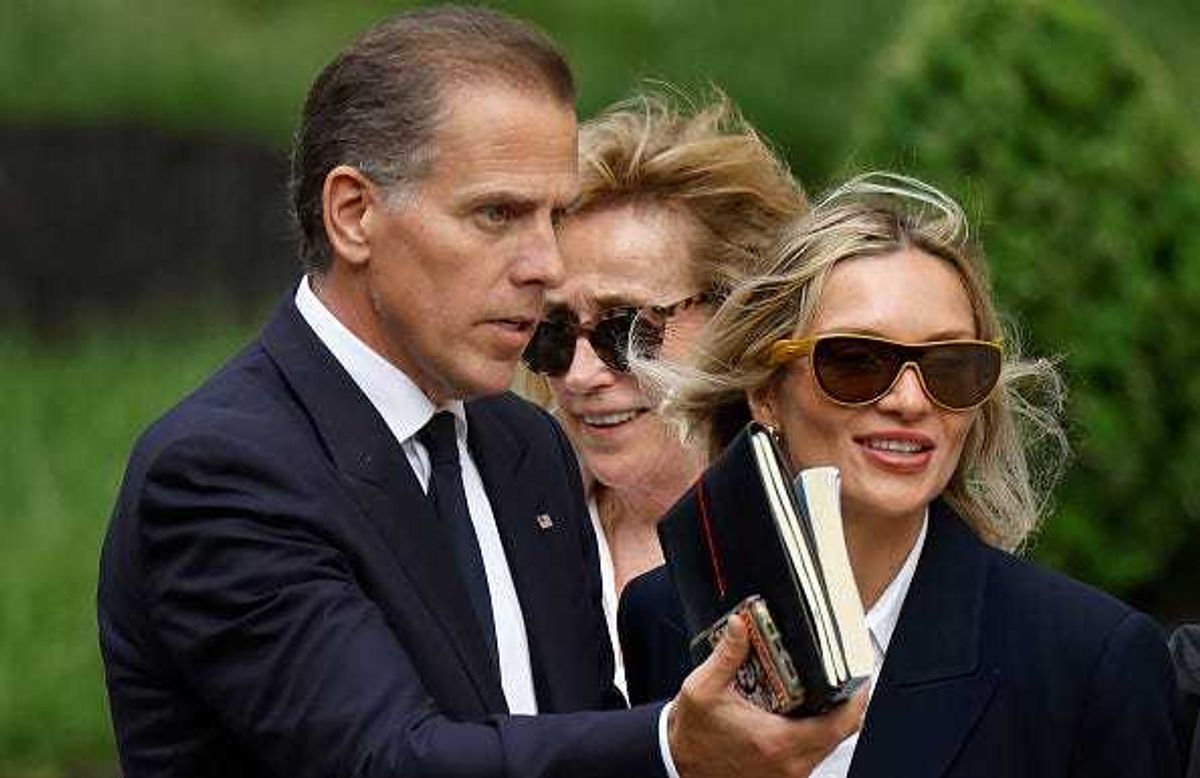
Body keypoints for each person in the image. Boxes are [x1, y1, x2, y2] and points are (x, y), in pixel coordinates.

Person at [97, 7, 866, 777]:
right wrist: (671, 746)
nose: (545, 264)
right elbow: (384, 761)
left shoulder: (522, 447)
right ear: (354, 214)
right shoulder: (221, 469)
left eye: (554, 216)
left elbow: (573, 730)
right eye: (497, 213)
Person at [620, 172, 1184, 775]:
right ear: (766, 392)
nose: (911, 401)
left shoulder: (1090, 659)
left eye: (951, 367)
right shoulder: (664, 615)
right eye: (858, 361)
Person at [518, 91, 806, 697]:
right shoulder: (501, 531)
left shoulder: (832, 536)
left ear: (739, 313)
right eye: (553, 332)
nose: (580, 374)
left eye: (626, 329)